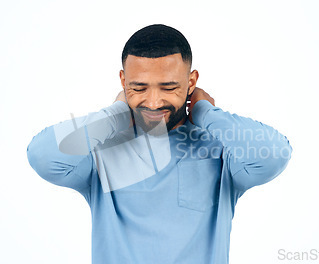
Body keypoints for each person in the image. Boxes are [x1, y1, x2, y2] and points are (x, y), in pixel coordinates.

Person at [27, 24, 292, 264]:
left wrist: (206, 113)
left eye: (168, 88)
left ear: (191, 82)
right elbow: (43, 156)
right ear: (123, 82)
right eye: (139, 88)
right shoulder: (101, 152)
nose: (153, 103)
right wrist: (115, 115)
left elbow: (274, 154)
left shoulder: (221, 149)